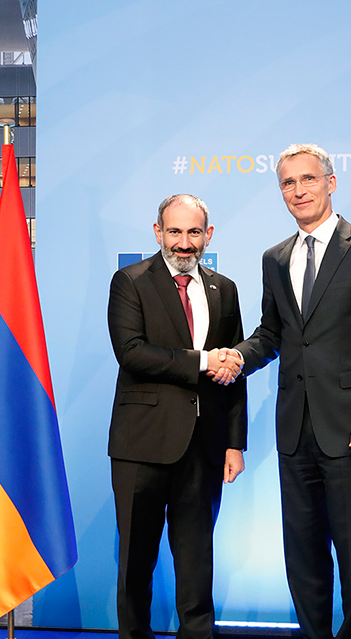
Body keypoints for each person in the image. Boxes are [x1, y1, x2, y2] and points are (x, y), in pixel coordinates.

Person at [229, 144, 351, 639]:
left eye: (307, 179)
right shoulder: (275, 257)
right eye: (288, 183)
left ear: (331, 182)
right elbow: (273, 334)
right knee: (302, 554)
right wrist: (237, 358)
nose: (298, 190)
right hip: (295, 430)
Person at [108, 194, 247, 639]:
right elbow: (132, 353)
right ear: (157, 232)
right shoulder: (129, 281)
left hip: (203, 447)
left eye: (193, 232)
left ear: (208, 235)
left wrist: (233, 442)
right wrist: (204, 361)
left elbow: (236, 370)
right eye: (174, 232)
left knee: (196, 562)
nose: (183, 243)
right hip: (141, 445)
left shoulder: (223, 288)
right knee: (136, 561)